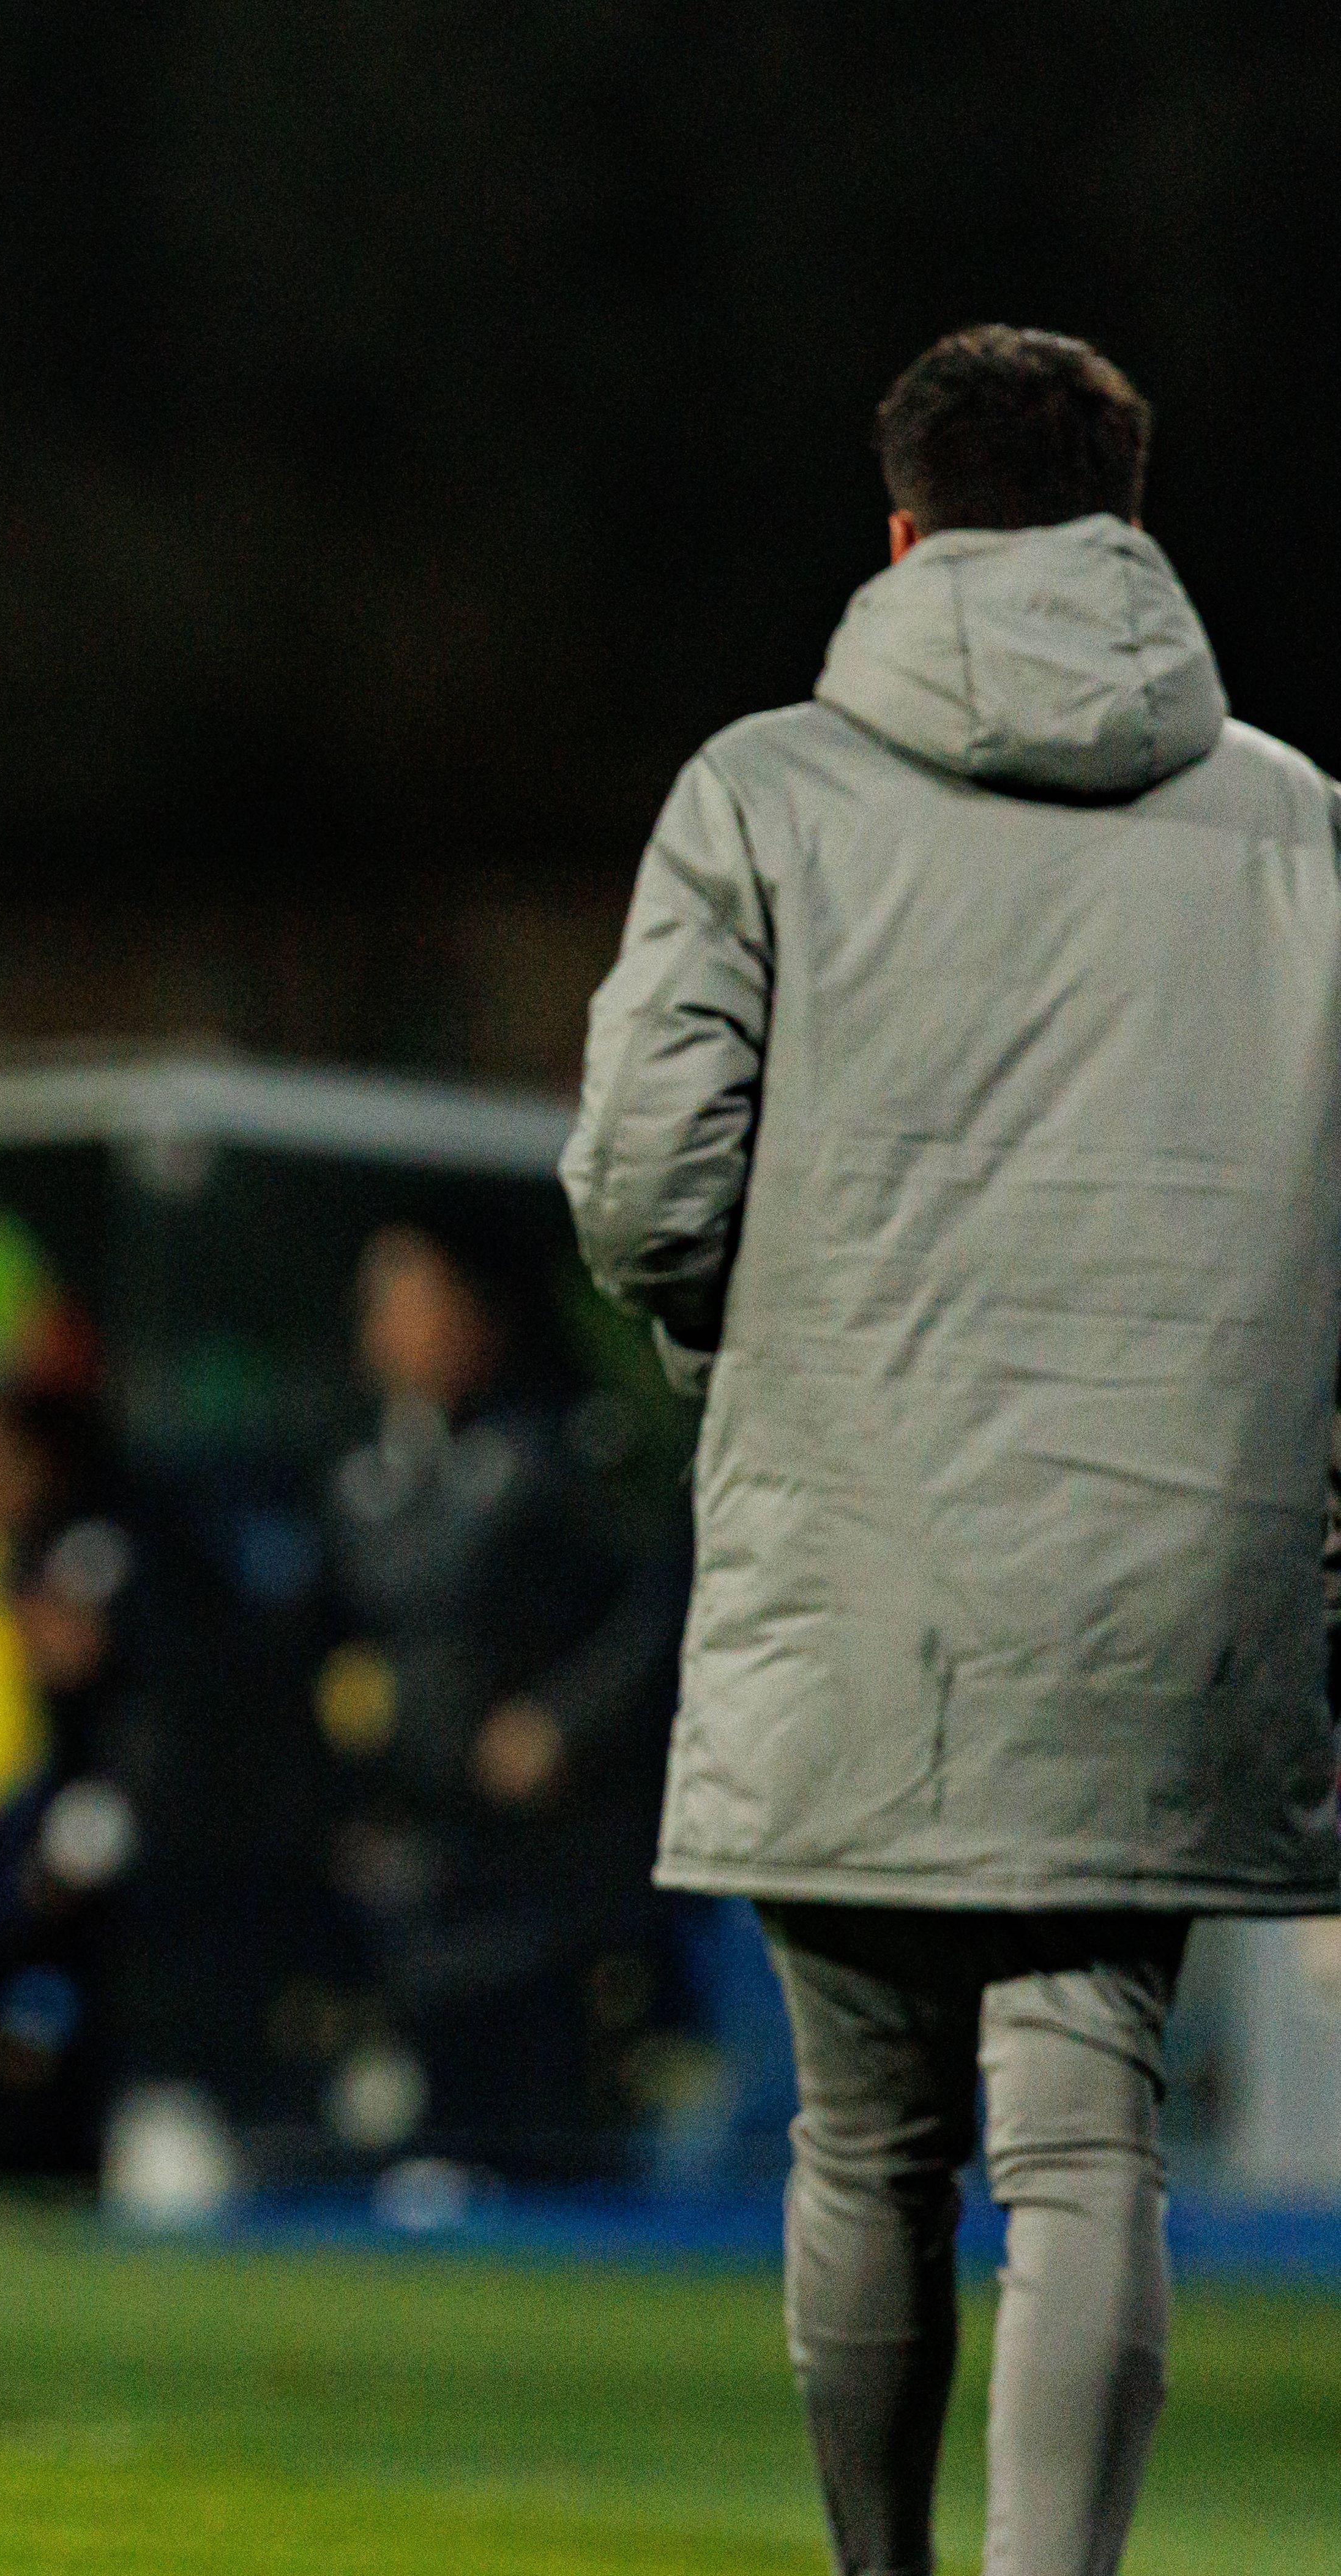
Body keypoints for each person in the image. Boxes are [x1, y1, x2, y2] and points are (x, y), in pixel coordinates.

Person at [566, 324, 1341, 2576]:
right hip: (1172, 1558)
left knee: (861, 2136)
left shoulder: (764, 794)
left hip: (857, 1542)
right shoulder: (1296, 828)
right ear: (1129, 522)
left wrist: (746, 1345)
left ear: (897, 527)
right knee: (1087, 2129)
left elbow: (637, 1184)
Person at [310, 1221, 682, 2176]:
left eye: (420, 1301)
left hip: (546, 1864)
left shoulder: (559, 1458)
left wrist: (563, 1722)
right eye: (383, 1305)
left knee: (544, 2109)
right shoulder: (361, 1477)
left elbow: (652, 1608)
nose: (397, 1327)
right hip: (419, 1852)